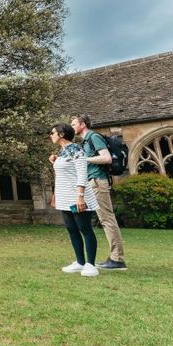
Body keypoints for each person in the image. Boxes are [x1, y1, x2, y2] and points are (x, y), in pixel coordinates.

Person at [71, 115, 127, 271]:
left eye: (74, 123)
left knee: (107, 219)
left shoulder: (94, 137)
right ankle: (85, 260)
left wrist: (85, 159)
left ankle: (117, 259)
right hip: (91, 182)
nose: (72, 126)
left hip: (98, 182)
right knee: (88, 219)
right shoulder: (85, 141)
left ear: (82, 124)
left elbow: (107, 158)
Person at [48, 123, 100, 277]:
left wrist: (80, 197)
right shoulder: (63, 151)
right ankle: (80, 262)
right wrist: (55, 161)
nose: (50, 135)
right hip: (65, 197)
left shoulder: (77, 150)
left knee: (85, 229)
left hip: (76, 196)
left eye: (52, 132)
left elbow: (82, 173)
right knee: (72, 229)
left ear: (61, 134)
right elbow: (65, 174)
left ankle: (91, 264)